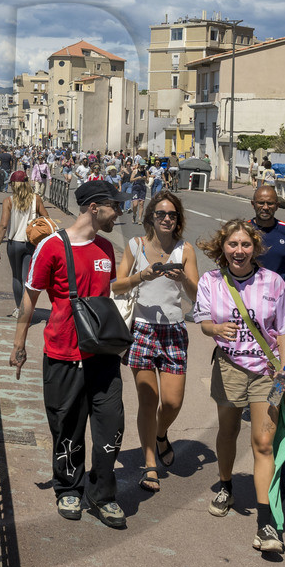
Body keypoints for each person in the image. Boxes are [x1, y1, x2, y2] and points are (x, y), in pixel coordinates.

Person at [10, 178, 128, 530]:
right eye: (114, 206)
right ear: (94, 208)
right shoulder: (51, 247)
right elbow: (29, 300)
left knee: (111, 426)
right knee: (67, 427)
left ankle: (103, 493)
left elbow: (105, 297)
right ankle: (68, 487)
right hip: (63, 353)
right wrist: (19, 345)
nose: (118, 212)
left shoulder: (106, 249)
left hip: (102, 354)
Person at [193, 218, 285, 554]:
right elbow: (203, 321)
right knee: (227, 431)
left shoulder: (273, 282)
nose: (239, 251)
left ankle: (266, 522)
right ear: (222, 247)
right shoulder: (211, 281)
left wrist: (284, 367)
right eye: (232, 244)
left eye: (245, 245)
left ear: (255, 248)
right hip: (229, 368)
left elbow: (284, 326)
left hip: (267, 373)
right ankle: (225, 485)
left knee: (263, 442)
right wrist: (214, 330)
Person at [113, 190, 198, 493]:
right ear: (151, 216)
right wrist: (142, 276)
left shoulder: (185, 249)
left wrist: (182, 279)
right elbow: (117, 284)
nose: (166, 218)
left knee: (172, 402)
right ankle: (150, 464)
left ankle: (162, 433)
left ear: (178, 219)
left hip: (174, 331)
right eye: (160, 213)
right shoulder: (135, 246)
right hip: (143, 330)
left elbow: (196, 295)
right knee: (148, 401)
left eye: (172, 214)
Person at [0, 171, 50, 316]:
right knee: (27, 278)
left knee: (16, 277)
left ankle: (19, 308)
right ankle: (27, 308)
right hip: (31, 242)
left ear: (14, 185)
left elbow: (4, 225)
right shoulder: (36, 199)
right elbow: (46, 218)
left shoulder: (9, 201)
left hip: (14, 244)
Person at [250, 186, 285, 310]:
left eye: (270, 203)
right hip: (250, 303)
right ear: (253, 204)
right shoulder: (243, 232)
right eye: (261, 203)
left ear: (277, 205)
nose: (265, 207)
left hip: (281, 304)